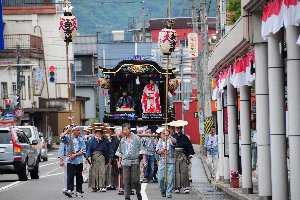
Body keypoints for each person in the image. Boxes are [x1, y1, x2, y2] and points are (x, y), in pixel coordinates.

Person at [116, 123, 144, 200]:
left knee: (135, 180)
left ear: (129, 130)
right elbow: (120, 152)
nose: (124, 131)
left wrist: (143, 161)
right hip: (125, 162)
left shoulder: (137, 138)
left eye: (125, 130)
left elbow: (141, 150)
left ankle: (138, 193)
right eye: (123, 130)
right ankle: (127, 197)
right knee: (126, 180)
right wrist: (119, 162)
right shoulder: (122, 140)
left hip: (135, 161)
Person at [60, 126, 86, 198]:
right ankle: (69, 190)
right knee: (70, 175)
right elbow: (61, 137)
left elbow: (83, 150)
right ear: (73, 131)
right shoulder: (68, 138)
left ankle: (78, 191)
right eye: (77, 130)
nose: (79, 132)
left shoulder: (81, 139)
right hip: (70, 160)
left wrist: (75, 155)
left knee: (79, 176)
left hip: (79, 160)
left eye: (79, 130)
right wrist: (67, 130)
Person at [171, 121, 195, 194]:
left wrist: (189, 157)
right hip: (175, 155)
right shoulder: (173, 137)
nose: (178, 129)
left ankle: (185, 187)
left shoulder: (185, 137)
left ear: (181, 128)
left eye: (179, 128)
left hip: (183, 155)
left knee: (184, 171)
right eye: (176, 128)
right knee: (176, 171)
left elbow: (189, 147)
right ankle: (177, 187)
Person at [87, 128, 110, 192]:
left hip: (102, 157)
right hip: (94, 157)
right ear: (95, 134)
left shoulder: (105, 141)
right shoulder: (91, 140)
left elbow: (107, 150)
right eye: (97, 134)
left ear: (102, 134)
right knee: (94, 172)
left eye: (100, 134)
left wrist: (107, 159)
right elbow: (89, 149)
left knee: (102, 171)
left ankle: (102, 186)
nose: (99, 135)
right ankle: (94, 186)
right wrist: (88, 156)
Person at [156, 129, 176, 198]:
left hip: (170, 161)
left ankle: (169, 192)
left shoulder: (170, 140)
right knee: (160, 178)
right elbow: (157, 151)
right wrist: (162, 150)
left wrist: (169, 135)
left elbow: (175, 142)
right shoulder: (160, 141)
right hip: (162, 161)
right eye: (163, 133)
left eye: (165, 133)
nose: (164, 135)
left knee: (170, 178)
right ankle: (162, 191)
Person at [58, 126, 69, 194]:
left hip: (74, 157)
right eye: (66, 130)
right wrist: (61, 159)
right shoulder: (63, 139)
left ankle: (70, 187)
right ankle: (65, 187)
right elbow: (61, 150)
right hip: (66, 157)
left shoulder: (74, 137)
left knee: (72, 173)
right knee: (66, 173)